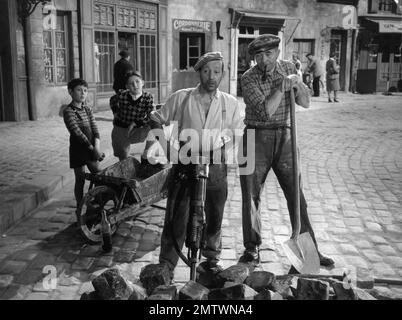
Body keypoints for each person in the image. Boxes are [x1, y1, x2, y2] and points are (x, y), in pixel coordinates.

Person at [239, 34, 334, 268]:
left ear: (277, 52)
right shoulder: (247, 78)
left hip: (285, 137)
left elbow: (305, 102)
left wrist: (297, 82)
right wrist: (281, 88)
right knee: (250, 196)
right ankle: (252, 249)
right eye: (258, 55)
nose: (263, 60)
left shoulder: (290, 67)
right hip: (254, 137)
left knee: (296, 195)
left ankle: (310, 250)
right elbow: (265, 111)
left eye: (268, 54)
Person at [148, 52, 244, 279]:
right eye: (206, 71)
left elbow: (238, 131)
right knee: (177, 212)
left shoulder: (230, 103)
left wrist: (225, 152)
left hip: (215, 164)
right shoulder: (181, 98)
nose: (212, 77)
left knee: (214, 211)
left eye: (217, 72)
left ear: (222, 74)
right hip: (185, 162)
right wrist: (167, 148)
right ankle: (167, 265)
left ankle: (211, 260)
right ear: (199, 72)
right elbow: (155, 118)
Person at [63, 78, 104, 218]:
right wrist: (93, 148)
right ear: (70, 92)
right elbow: (77, 133)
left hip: (92, 147)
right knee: (79, 178)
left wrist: (97, 146)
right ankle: (79, 206)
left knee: (98, 174)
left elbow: (95, 128)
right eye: (79, 90)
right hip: (78, 149)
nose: (83, 93)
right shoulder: (68, 111)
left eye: (85, 91)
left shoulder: (87, 109)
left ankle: (98, 202)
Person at [110, 70, 156, 164]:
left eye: (137, 82)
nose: (135, 85)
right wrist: (115, 112)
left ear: (142, 83)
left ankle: (146, 155)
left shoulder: (148, 97)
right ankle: (126, 164)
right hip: (122, 127)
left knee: (155, 125)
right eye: (131, 83)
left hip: (138, 127)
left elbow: (151, 115)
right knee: (122, 154)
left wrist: (136, 123)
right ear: (127, 86)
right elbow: (112, 100)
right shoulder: (122, 94)